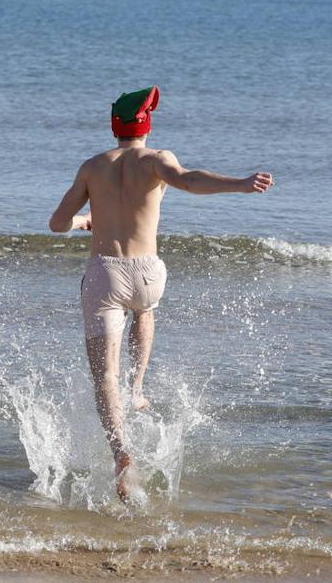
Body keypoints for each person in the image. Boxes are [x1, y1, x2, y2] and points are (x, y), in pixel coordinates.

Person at [47, 86, 272, 502]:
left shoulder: (92, 166)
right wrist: (240, 184)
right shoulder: (156, 160)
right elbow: (189, 181)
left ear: (114, 126)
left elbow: (57, 222)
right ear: (147, 125)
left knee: (103, 377)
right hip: (148, 271)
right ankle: (139, 387)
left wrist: (84, 222)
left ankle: (121, 453)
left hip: (105, 274)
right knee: (144, 311)